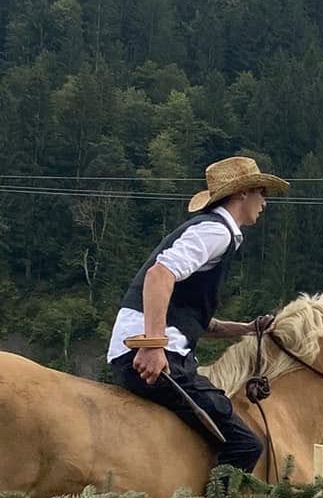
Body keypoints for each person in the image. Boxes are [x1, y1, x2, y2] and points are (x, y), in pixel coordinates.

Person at [107, 154, 289, 475]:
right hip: (151, 355)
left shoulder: (214, 232)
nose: (265, 202)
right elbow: (159, 275)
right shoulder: (216, 232)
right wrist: (152, 345)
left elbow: (192, 322)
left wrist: (247, 328)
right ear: (241, 193)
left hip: (149, 349)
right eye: (261, 192)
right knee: (245, 445)